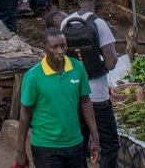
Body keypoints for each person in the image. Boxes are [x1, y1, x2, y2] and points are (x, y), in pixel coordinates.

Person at [13, 25, 99, 168]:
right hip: (46, 147)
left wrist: (95, 137)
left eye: (63, 46)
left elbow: (86, 102)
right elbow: (25, 113)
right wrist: (20, 151)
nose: (60, 51)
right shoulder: (33, 76)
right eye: (54, 47)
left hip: (75, 143)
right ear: (44, 48)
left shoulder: (77, 68)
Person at [62, 0, 121, 168]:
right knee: (109, 144)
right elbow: (111, 62)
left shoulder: (66, 22)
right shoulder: (99, 24)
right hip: (97, 96)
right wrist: (101, 66)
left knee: (79, 143)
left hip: (73, 93)